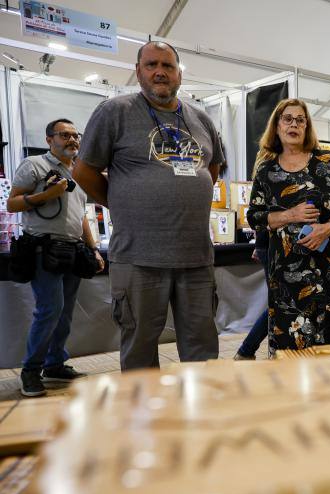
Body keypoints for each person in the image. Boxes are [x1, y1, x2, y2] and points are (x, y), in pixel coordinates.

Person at [73, 41, 224, 371]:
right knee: (140, 346)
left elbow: (211, 170)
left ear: (179, 75)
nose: (160, 72)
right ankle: (143, 421)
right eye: (152, 64)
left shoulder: (201, 119)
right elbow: (83, 171)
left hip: (196, 257)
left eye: (168, 66)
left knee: (202, 347)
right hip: (138, 256)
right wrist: (120, 200)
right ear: (138, 71)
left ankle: (201, 419)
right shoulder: (114, 112)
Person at [247, 98, 330, 355]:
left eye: (300, 119)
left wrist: (328, 228)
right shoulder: (266, 170)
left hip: (328, 268)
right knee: (290, 345)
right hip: (286, 273)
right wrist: (290, 215)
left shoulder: (327, 161)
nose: (294, 124)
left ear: (307, 126)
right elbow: (255, 217)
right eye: (288, 119)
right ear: (277, 126)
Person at [7, 119, 104, 396]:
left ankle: (54, 365)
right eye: (65, 135)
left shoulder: (78, 172)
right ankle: (30, 371)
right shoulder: (34, 165)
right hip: (43, 248)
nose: (72, 139)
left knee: (64, 313)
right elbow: (11, 203)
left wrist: (93, 248)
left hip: (73, 249)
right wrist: (47, 194)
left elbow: (81, 215)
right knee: (49, 310)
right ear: (50, 139)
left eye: (75, 135)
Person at [233, 229, 269, 360]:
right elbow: (262, 216)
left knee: (277, 303)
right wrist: (260, 245)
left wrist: (259, 244)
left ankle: (246, 351)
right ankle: (246, 350)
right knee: (277, 304)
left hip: (267, 244)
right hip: (272, 246)